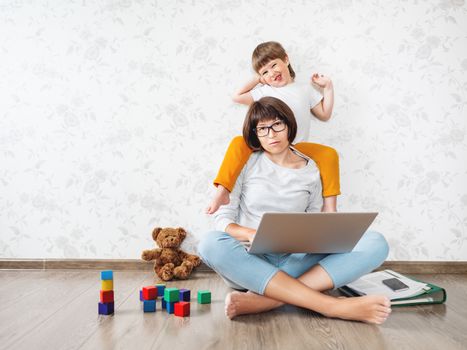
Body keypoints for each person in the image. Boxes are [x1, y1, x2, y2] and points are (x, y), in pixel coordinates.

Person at [198, 97, 391, 324]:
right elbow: (223, 219)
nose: (271, 134)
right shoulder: (247, 163)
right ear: (255, 134)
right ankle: (331, 306)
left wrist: (322, 236)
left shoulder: (312, 170)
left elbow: (314, 221)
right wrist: (252, 234)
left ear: (289, 124)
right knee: (210, 243)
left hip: (297, 259)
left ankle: (265, 300)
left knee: (376, 242)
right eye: (263, 129)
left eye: (277, 124)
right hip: (252, 262)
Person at [206, 41, 339, 214]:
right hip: (269, 142)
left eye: (274, 65)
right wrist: (257, 79)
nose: (272, 73)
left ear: (286, 59)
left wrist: (328, 88)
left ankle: (330, 207)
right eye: (265, 72)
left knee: (329, 155)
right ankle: (222, 190)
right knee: (238, 142)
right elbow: (236, 96)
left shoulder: (305, 89)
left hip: (296, 147)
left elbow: (324, 114)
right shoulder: (265, 91)